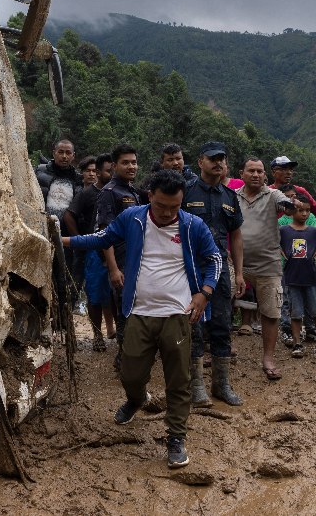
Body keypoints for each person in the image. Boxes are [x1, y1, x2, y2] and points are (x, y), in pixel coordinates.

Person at [62, 169, 221, 469]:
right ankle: (136, 399)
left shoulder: (192, 225)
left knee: (178, 380)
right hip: (138, 312)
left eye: (175, 206)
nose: (167, 213)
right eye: (161, 206)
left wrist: (205, 292)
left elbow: (214, 259)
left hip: (178, 314)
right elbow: (102, 238)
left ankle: (176, 436)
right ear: (150, 197)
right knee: (130, 373)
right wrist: (64, 241)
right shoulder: (133, 218)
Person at [181, 141, 244, 406]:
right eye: (212, 158)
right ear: (200, 162)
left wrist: (239, 272)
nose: (218, 163)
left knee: (221, 323)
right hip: (190, 268)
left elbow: (236, 235)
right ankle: (196, 386)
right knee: (193, 324)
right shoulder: (185, 191)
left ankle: (221, 384)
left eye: (222, 159)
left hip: (220, 269)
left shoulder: (229, 196)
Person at [234, 157, 296, 380]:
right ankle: (220, 349)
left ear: (265, 176)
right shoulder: (233, 196)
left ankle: (268, 357)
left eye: (260, 171)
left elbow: (287, 208)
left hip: (267, 263)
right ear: (242, 173)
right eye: (251, 170)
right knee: (220, 304)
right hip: (235, 263)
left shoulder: (273, 195)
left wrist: (292, 204)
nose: (256, 175)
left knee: (271, 311)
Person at [96, 143, 145, 370]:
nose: (131, 166)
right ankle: (125, 360)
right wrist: (113, 268)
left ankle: (132, 356)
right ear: (115, 166)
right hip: (121, 262)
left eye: (134, 162)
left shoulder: (132, 191)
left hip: (137, 260)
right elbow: (105, 234)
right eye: (125, 162)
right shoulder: (110, 193)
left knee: (137, 309)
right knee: (125, 311)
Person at [65, 155, 117, 349]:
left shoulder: (121, 192)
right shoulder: (88, 193)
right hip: (94, 250)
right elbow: (69, 215)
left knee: (116, 293)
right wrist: (79, 240)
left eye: (112, 170)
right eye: (106, 171)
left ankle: (118, 332)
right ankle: (97, 335)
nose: (110, 174)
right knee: (95, 294)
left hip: (118, 248)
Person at [280, 200, 316, 358]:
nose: (304, 214)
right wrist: (283, 254)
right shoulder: (283, 230)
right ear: (291, 212)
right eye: (300, 210)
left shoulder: (313, 231)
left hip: (311, 277)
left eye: (307, 210)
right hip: (291, 277)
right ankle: (297, 343)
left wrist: (315, 253)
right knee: (295, 312)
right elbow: (274, 244)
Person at [62, 155, 98, 317]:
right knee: (75, 277)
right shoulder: (77, 192)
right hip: (76, 242)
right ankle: (68, 311)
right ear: (82, 173)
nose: (91, 174)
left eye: (94, 171)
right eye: (88, 171)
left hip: (96, 243)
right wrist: (77, 239)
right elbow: (68, 216)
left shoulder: (102, 192)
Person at [35, 139, 82, 220]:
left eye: (68, 153)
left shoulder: (78, 179)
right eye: (60, 152)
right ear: (54, 153)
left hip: (67, 228)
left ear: (73, 156)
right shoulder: (39, 171)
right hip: (41, 222)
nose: (64, 156)